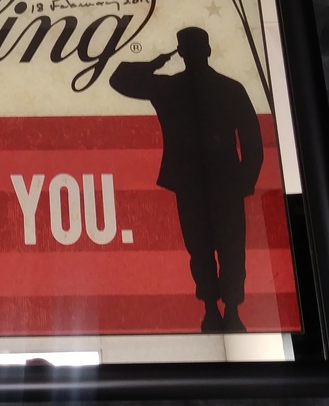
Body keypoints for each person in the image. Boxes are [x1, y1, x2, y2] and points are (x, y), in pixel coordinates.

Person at [110, 27, 263, 332]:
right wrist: (245, 179)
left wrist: (154, 63)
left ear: (181, 53)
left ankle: (217, 310)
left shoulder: (170, 88)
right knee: (225, 248)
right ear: (207, 50)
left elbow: (120, 78)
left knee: (205, 248)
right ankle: (225, 310)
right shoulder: (228, 88)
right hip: (219, 183)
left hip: (200, 183)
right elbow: (252, 141)